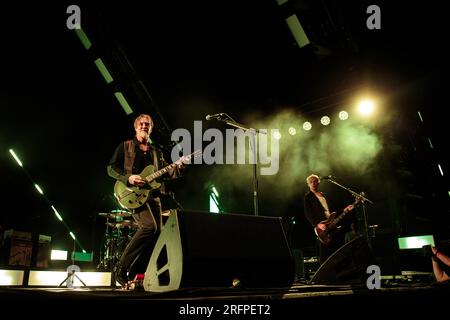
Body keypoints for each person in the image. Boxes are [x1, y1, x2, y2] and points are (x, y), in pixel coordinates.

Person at [107, 114, 188, 286]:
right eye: (141, 124)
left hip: (153, 196)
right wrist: (128, 178)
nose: (144, 126)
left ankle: (138, 271)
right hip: (132, 193)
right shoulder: (126, 146)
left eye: (148, 124)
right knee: (149, 226)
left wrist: (180, 165)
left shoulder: (156, 152)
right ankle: (120, 267)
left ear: (151, 129)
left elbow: (168, 174)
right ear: (136, 127)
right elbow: (111, 168)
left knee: (157, 233)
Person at [303, 174, 354, 265]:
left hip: (331, 223)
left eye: (315, 181)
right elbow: (308, 213)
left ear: (319, 183)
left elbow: (332, 211)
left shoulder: (324, 195)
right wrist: (317, 224)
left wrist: (344, 209)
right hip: (322, 227)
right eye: (311, 182)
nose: (313, 183)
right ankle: (323, 276)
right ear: (308, 184)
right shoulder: (308, 197)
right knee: (324, 253)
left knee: (338, 249)